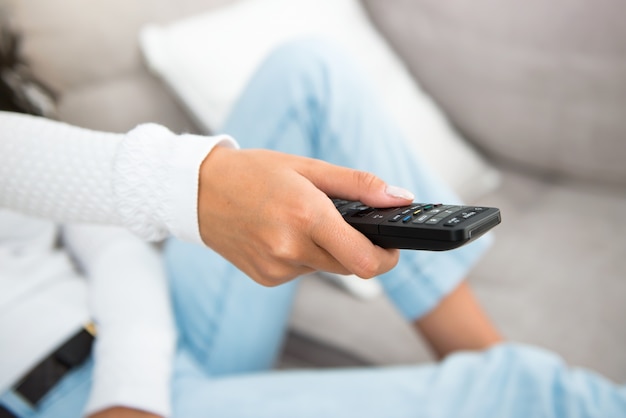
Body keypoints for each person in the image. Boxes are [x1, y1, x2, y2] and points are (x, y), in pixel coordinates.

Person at [0, 39, 624, 418]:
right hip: (57, 398)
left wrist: (130, 375)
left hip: (140, 335)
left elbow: (107, 238)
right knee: (530, 396)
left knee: (308, 73)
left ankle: (476, 349)